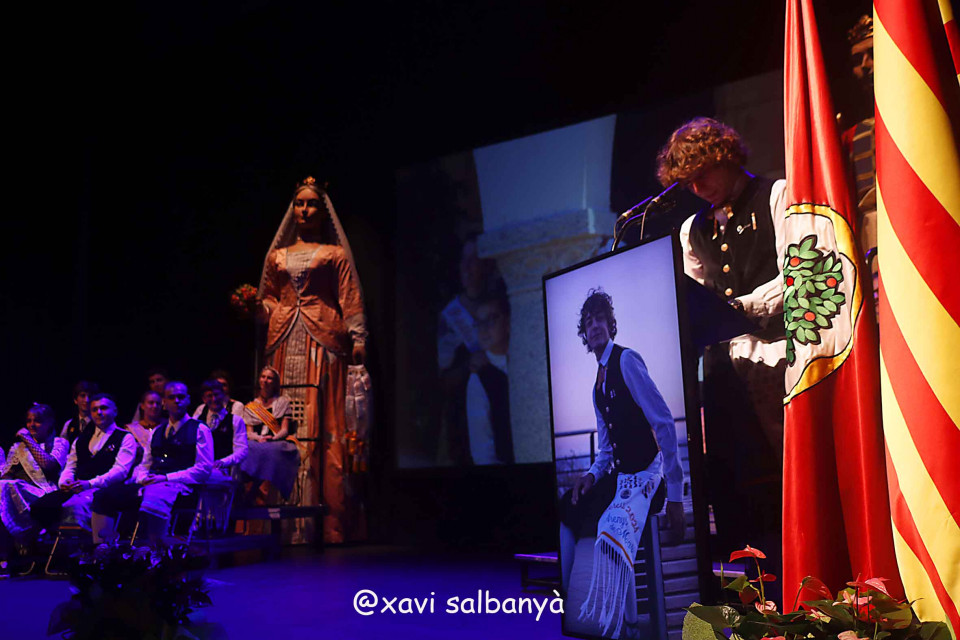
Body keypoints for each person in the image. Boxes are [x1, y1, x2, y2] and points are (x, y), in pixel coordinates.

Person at [656, 117, 787, 595]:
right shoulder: (692, 229)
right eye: (687, 181)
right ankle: (748, 604)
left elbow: (800, 272)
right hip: (720, 374)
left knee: (776, 484)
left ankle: (794, 598)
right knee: (733, 491)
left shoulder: (777, 195)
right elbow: (693, 298)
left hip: (775, 362)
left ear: (725, 156)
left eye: (702, 174)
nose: (697, 187)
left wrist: (743, 308)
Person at [559, 289, 684, 640]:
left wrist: (676, 496)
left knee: (612, 526)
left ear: (611, 325)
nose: (594, 326)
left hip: (647, 479)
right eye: (588, 323)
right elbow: (605, 450)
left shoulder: (627, 360)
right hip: (621, 478)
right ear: (584, 336)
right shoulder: (596, 386)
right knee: (567, 506)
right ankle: (565, 604)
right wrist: (590, 475)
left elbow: (663, 422)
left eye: (600, 319)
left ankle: (627, 626)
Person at [257, 176, 368, 543]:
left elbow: (349, 295)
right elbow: (270, 296)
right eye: (299, 204)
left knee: (320, 416)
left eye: (311, 204)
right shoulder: (277, 255)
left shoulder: (334, 254)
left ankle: (325, 520)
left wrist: (358, 336)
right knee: (279, 415)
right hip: (283, 337)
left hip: (322, 338)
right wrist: (261, 308)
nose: (304, 210)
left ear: (322, 211)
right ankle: (280, 521)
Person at [91, 381, 213, 546]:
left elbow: (203, 469)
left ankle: (154, 548)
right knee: (103, 495)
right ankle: (102, 549)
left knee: (155, 495)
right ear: (164, 402)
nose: (177, 401)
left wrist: (166, 478)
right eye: (171, 397)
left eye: (181, 397)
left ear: (188, 400)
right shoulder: (157, 432)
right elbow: (145, 464)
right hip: (153, 484)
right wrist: (143, 478)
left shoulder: (199, 429)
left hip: (182, 487)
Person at [437, 236, 507, 465]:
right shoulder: (451, 316)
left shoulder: (501, 305)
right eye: (463, 260)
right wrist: (469, 366)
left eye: (474, 260)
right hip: (465, 420)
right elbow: (442, 380)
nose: (467, 267)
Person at [30, 394, 137, 535]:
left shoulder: (125, 437)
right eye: (94, 409)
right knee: (40, 506)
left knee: (78, 505)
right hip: (78, 487)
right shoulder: (81, 439)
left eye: (103, 408)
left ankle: (88, 541)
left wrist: (90, 484)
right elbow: (71, 466)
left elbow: (120, 471)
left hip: (106, 489)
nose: (99, 412)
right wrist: (65, 482)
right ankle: (54, 540)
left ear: (115, 411)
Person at [0, 405, 68, 570]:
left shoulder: (60, 442)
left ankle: (7, 556)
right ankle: (5, 557)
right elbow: (6, 475)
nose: (31, 425)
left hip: (43, 494)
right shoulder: (17, 448)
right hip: (15, 494)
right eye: (29, 421)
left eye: (37, 421)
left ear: (49, 423)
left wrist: (28, 439)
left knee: (6, 487)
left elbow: (49, 465)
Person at [464, 294, 514, 465]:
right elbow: (482, 449)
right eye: (479, 323)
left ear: (507, 322)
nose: (483, 328)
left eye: (491, 319)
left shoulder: (524, 359)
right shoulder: (479, 376)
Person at [240, 366, 300, 500]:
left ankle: (255, 491)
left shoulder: (282, 402)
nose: (265, 380)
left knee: (272, 450)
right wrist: (259, 438)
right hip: (257, 441)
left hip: (277, 441)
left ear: (275, 382)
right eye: (263, 377)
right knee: (246, 448)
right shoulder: (251, 406)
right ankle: (244, 490)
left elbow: (284, 430)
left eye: (269, 378)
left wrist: (273, 438)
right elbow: (249, 432)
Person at [195, 378, 248, 481]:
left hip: (225, 472)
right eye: (209, 396)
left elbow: (242, 450)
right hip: (200, 471)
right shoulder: (197, 420)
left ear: (223, 395)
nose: (214, 399)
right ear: (204, 399)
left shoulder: (235, 421)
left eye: (217, 395)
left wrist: (223, 462)